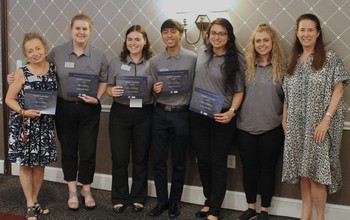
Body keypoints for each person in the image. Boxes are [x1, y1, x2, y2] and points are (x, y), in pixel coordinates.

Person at [282, 13, 349, 220]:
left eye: (310, 29)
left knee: (317, 175)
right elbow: (287, 95)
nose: (306, 33)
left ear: (318, 32)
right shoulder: (291, 61)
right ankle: (305, 216)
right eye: (302, 29)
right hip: (295, 126)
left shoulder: (329, 58)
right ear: (297, 33)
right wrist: (284, 119)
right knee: (304, 173)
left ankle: (319, 217)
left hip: (319, 126)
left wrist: (326, 119)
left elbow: (338, 91)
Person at [47, 13, 108, 210]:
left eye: (85, 29)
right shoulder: (57, 53)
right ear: (71, 30)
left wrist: (97, 98)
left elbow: (104, 81)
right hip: (64, 108)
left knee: (88, 151)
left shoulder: (99, 55)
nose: (81, 32)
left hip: (89, 109)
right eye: (77, 28)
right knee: (69, 150)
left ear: (90, 31)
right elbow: (39, 69)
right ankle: (72, 190)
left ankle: (86, 189)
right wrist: (17, 76)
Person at [190, 18, 245, 220]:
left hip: (221, 115)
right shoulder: (202, 52)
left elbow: (239, 91)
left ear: (228, 36)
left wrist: (232, 112)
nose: (216, 37)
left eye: (221, 33)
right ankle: (207, 200)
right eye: (213, 32)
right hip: (197, 114)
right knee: (203, 160)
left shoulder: (236, 59)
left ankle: (215, 207)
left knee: (217, 161)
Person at [148, 19, 197, 218]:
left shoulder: (193, 58)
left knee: (178, 161)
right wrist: (155, 89)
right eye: (165, 32)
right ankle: (162, 201)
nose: (169, 36)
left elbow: (196, 85)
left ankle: (175, 201)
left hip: (182, 114)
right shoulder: (155, 61)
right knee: (158, 160)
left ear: (181, 34)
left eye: (173, 32)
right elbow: (152, 90)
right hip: (160, 113)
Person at [5, 33, 57, 220]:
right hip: (25, 126)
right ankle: (29, 203)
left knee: (40, 166)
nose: (35, 53)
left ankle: (35, 201)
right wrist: (23, 112)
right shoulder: (21, 72)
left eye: (37, 48)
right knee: (26, 165)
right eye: (30, 50)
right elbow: (8, 99)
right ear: (26, 54)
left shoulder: (53, 68)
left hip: (44, 126)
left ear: (44, 47)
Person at [236, 23, 285, 220]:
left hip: (272, 128)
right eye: (258, 41)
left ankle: (264, 210)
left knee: (268, 170)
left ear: (272, 43)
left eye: (266, 40)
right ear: (253, 43)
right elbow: (237, 93)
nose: (262, 44)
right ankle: (250, 208)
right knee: (248, 169)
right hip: (245, 127)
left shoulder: (282, 68)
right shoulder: (245, 67)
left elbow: (288, 98)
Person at [106, 25, 154, 213]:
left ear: (145, 42)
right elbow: (108, 87)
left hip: (145, 113)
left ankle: (138, 197)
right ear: (125, 42)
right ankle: (119, 197)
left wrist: (157, 88)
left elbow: (158, 88)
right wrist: (112, 91)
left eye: (137, 39)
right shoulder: (115, 63)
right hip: (120, 113)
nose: (133, 43)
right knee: (119, 158)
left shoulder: (153, 63)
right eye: (130, 39)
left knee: (140, 158)